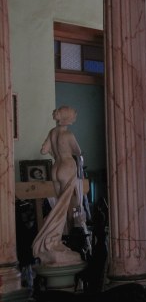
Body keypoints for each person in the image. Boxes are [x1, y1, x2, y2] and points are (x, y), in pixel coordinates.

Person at [32, 106, 85, 266]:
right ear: (68, 118)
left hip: (55, 167)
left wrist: (56, 155)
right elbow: (78, 151)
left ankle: (51, 240)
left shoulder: (52, 132)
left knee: (58, 207)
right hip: (67, 165)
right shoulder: (67, 134)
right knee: (61, 208)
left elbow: (44, 150)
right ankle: (52, 241)